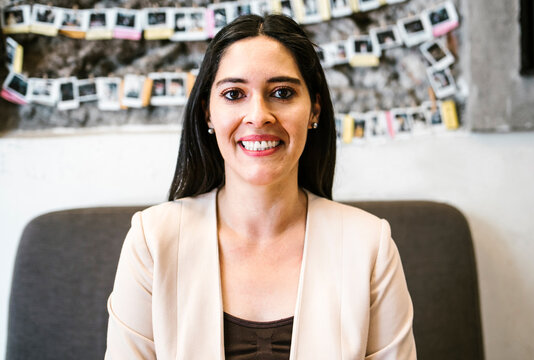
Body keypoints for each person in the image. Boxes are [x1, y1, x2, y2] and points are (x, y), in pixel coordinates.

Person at [105, 14, 416, 359]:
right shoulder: (152, 239)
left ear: (314, 109)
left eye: (282, 93)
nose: (258, 116)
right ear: (208, 112)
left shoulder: (370, 246)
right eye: (234, 94)